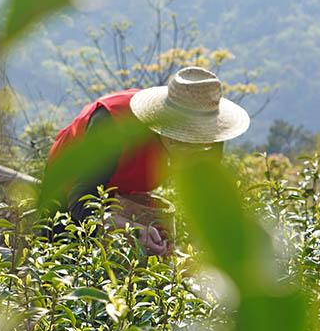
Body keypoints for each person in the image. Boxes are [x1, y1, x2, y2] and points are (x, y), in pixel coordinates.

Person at [47, 66, 250, 255]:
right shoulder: (114, 125)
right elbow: (81, 203)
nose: (196, 149)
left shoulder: (209, 141)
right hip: (67, 200)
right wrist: (133, 230)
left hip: (119, 196)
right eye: (187, 139)